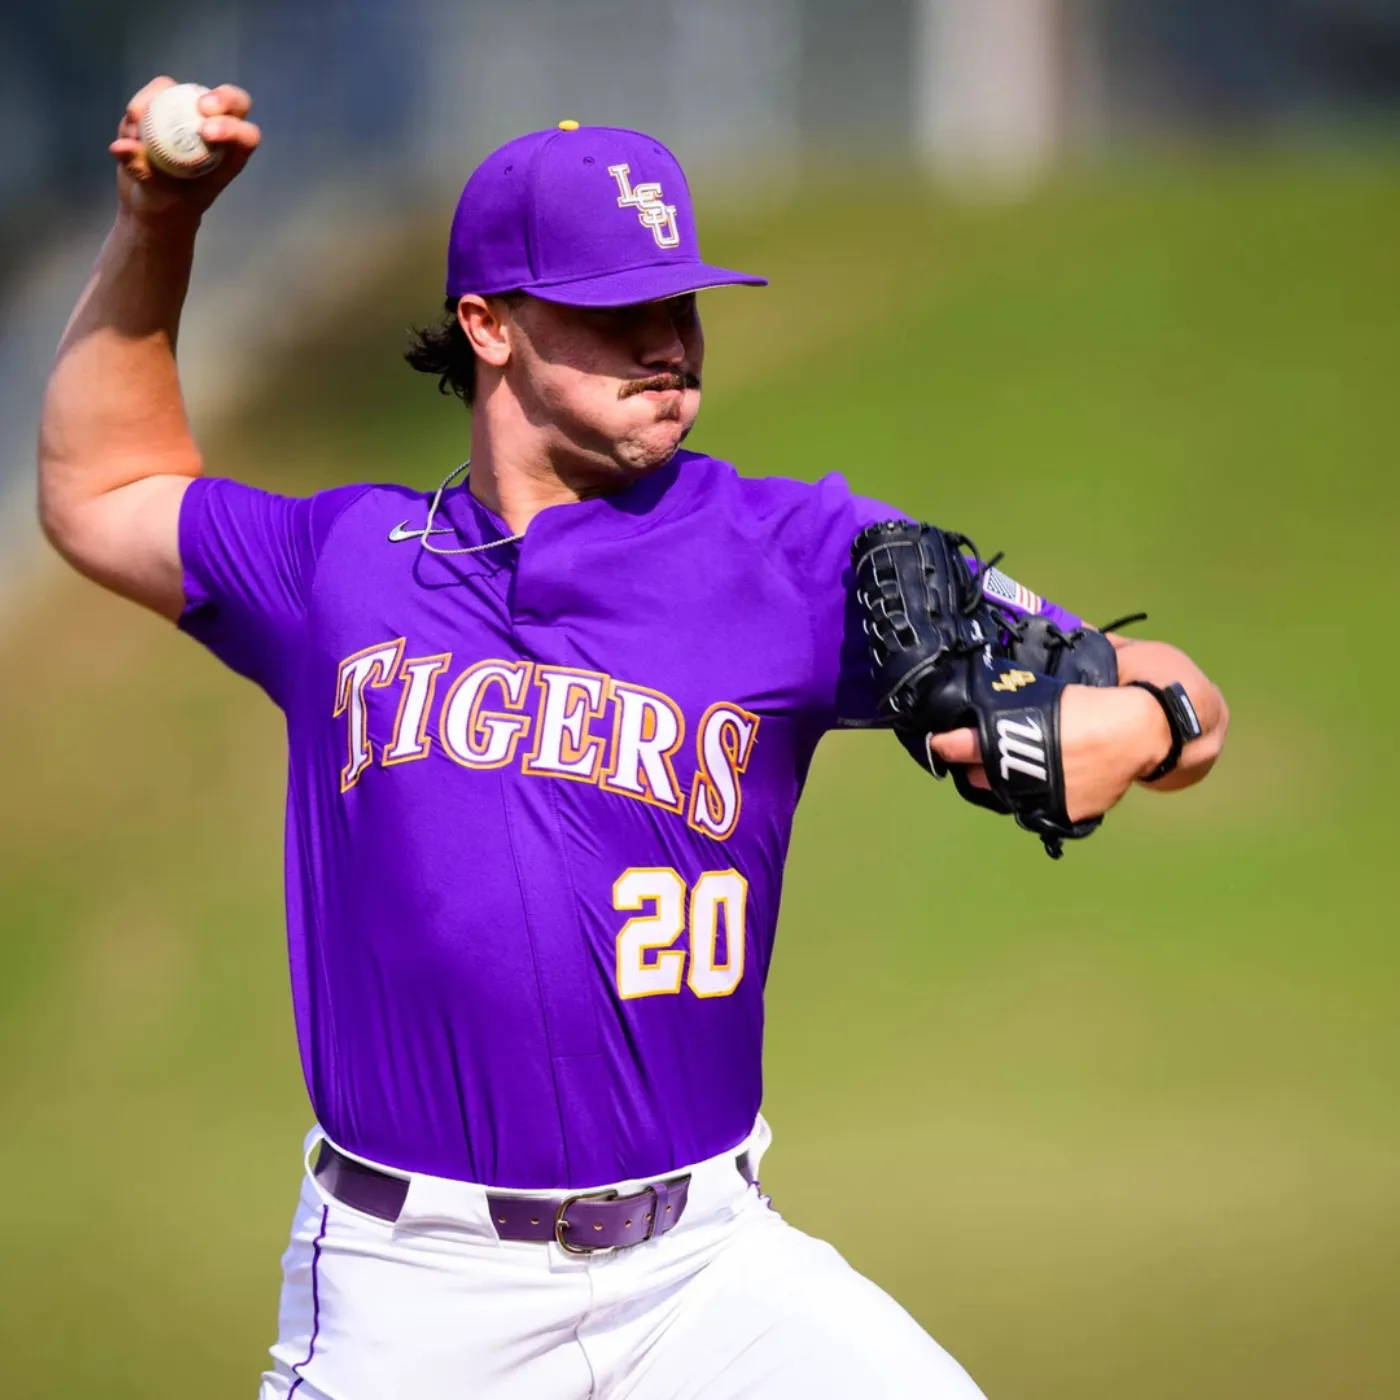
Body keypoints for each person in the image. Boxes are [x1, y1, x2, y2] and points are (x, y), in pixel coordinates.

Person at [38, 79, 1228, 1400]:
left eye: (681, 302)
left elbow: (1176, 693)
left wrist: (1145, 721)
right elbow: (102, 493)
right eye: (617, 314)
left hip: (707, 1280)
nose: (670, 344)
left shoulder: (801, 555)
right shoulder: (343, 565)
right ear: (487, 326)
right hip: (414, 1298)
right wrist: (161, 222)